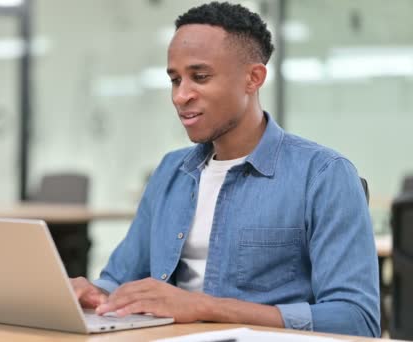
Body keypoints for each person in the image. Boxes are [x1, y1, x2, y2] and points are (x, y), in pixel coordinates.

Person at [70, 1, 380, 337]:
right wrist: (95, 294)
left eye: (200, 77)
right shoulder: (172, 170)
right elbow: (120, 278)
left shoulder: (324, 175)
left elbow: (356, 319)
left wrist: (204, 307)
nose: (180, 95)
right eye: (175, 80)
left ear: (253, 78)